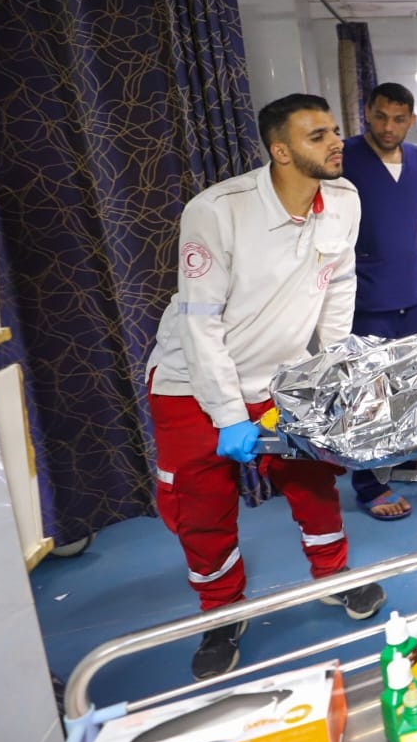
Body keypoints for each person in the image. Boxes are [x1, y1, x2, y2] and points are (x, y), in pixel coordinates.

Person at [146, 93, 386, 681]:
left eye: (334, 131)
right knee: (202, 509)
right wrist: (228, 413)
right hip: (191, 384)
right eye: (316, 136)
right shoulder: (216, 212)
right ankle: (222, 613)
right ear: (280, 151)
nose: (336, 143)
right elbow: (200, 323)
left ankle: (334, 577)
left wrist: (330, 370)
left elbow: (340, 285)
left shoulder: (344, 200)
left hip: (281, 376)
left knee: (313, 480)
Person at [341, 82, 417, 521]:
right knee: (368, 394)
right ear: (367, 113)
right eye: (381, 116)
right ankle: (368, 484)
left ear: (411, 120)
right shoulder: (345, 157)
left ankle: (406, 457)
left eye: (399, 119)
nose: (389, 127)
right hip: (365, 297)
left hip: (410, 293)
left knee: (410, 385)